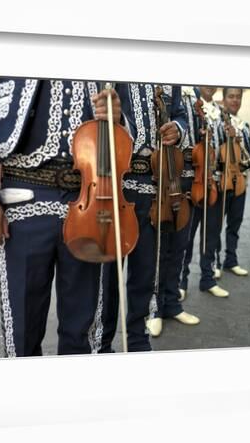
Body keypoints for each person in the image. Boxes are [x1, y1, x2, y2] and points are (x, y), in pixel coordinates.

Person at [0, 77, 124, 357]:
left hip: (88, 198)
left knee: (82, 328)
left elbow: (129, 130)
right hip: (24, 196)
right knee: (22, 330)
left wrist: (116, 119)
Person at [98, 83, 189, 351]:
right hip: (118, 181)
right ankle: (102, 345)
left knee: (145, 270)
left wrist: (178, 128)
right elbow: (100, 112)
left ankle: (138, 341)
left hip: (156, 184)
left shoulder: (170, 79)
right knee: (109, 275)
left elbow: (180, 114)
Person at [145, 85, 201, 337]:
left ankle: (173, 305)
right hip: (161, 173)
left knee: (179, 245)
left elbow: (181, 118)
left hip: (185, 174)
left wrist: (178, 128)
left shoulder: (193, 93)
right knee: (158, 250)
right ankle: (154, 309)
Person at [179, 86, 231, 298]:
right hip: (197, 180)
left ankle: (207, 279)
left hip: (216, 181)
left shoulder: (221, 113)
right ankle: (180, 282)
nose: (210, 86)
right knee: (188, 236)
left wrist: (231, 137)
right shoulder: (190, 104)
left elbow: (227, 148)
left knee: (211, 234)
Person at [214, 88, 250, 276]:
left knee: (235, 223)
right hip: (222, 181)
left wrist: (246, 158)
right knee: (216, 225)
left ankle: (231, 260)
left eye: (238, 97)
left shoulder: (245, 126)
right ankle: (214, 263)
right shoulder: (218, 122)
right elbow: (216, 150)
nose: (235, 100)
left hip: (240, 181)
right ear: (224, 99)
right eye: (231, 97)